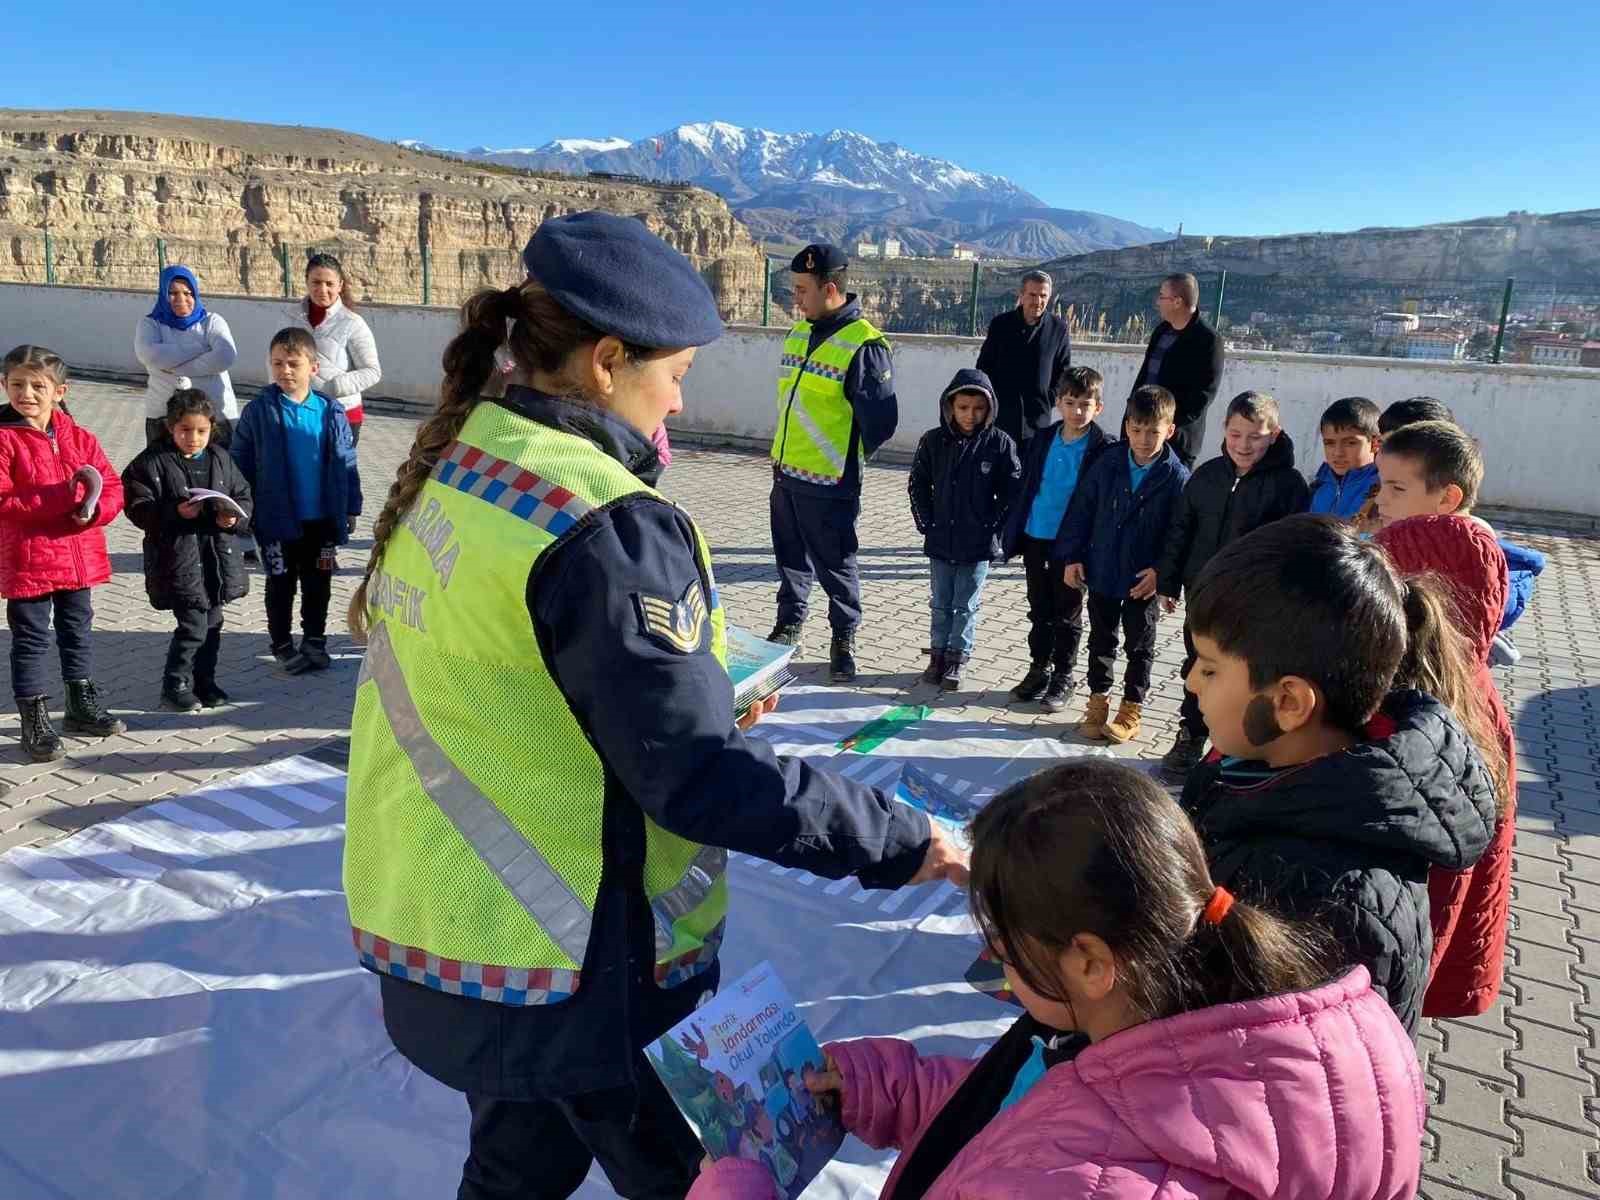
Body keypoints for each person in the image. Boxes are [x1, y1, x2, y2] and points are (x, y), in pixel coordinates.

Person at [339, 212, 965, 1200]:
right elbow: (696, 776)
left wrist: (683, 707)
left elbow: (515, 684)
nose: (678, 402)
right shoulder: (608, 524)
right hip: (587, 971)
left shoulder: (465, 458)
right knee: (709, 1180)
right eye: (673, 375)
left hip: (455, 936)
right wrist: (900, 839)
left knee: (515, 1168)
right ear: (605, 363)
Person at [690, 761, 1425, 1200]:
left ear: (1091, 962)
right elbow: (1020, 1116)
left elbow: (1044, 1151)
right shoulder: (1329, 1039)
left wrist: (734, 1185)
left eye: (1004, 945)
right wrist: (881, 1084)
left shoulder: (1073, 1176)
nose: (994, 961)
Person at [1180, 515, 1496, 1033]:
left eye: (1210, 668)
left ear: (1288, 703)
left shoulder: (1341, 906)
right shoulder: (1239, 768)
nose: (1191, 681)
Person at [1376, 514, 1515, 1018]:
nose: (1381, 501)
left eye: (1395, 488)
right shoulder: (1467, 699)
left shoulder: (1408, 731)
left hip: (1389, 967)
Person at [1155, 390, 1308, 779]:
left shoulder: (1288, 485)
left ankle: (1235, 746)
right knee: (1199, 667)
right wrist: (1168, 581)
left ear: (1275, 435)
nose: (1244, 445)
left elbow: (1292, 548)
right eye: (1236, 434)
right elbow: (1180, 530)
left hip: (1252, 606)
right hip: (1202, 597)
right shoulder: (1206, 476)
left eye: (1256, 436)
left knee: (1246, 676)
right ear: (1224, 429)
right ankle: (1191, 734)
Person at [767, 243, 897, 683]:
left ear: (830, 289)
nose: (795, 298)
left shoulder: (864, 345)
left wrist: (845, 458)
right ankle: (789, 624)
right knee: (790, 560)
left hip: (830, 481)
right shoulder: (797, 334)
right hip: (785, 472)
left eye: (802, 289)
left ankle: (843, 638)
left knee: (836, 565)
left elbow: (881, 423)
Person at [0, 345, 126, 761]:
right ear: (4, 385)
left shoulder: (80, 437)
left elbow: (111, 486)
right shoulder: (4, 439)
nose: (27, 394)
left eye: (38, 386)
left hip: (77, 557)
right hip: (29, 559)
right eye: (17, 384)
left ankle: (80, 703)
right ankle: (34, 720)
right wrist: (62, 499)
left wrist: (94, 512)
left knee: (77, 631)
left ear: (60, 391)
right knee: (31, 639)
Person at [1057, 385, 1190, 745]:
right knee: (1101, 640)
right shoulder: (1108, 463)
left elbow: (1179, 533)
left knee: (1139, 645)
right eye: (1137, 429)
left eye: (1153, 431)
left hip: (1141, 580)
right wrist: (1073, 556)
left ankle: (1131, 709)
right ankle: (1097, 700)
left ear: (1169, 430)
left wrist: (1162, 574)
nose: (1144, 439)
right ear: (1127, 425)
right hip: (1102, 570)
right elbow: (1082, 510)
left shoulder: (1176, 477)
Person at [230, 328, 361, 676]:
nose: (284, 370)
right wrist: (241, 508)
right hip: (276, 518)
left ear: (313, 367)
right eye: (277, 363)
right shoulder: (259, 411)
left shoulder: (330, 411)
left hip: (322, 519)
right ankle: (282, 645)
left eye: (293, 363)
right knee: (281, 583)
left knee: (319, 582)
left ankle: (315, 641)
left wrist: (351, 506)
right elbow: (239, 462)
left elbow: (348, 461)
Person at [1376, 403, 1545, 663]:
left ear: (1447, 498)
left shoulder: (1417, 545)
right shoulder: (1455, 543)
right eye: (1381, 486)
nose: (1380, 499)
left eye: (1397, 489)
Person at [121, 389, 254, 712]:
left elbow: (243, 495)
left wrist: (233, 518)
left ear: (212, 428)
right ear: (170, 427)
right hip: (178, 560)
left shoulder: (220, 458)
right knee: (193, 626)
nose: (193, 438)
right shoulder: (151, 462)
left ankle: (205, 681)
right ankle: (175, 684)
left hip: (216, 558)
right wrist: (174, 512)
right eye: (185, 430)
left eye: (201, 431)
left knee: (214, 624)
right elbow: (137, 508)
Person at [998, 367, 1112, 713]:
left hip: (1072, 547)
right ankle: (1039, 668)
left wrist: (1085, 549)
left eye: (1085, 404)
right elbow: (1027, 485)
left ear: (1098, 408)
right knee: (1039, 608)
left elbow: (1098, 504)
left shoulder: (1102, 449)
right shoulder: (1043, 438)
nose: (1077, 410)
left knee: (1068, 612)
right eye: (1070, 402)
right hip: (1037, 535)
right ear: (1058, 403)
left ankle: (1064, 675)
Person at [907, 368, 1021, 691]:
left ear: (989, 409)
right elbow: (917, 483)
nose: (970, 415)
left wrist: (992, 528)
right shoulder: (932, 441)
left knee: (966, 604)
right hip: (941, 539)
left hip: (977, 544)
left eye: (978, 408)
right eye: (963, 408)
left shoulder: (999, 444)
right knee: (940, 602)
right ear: (950, 407)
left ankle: (958, 656)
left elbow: (1013, 492)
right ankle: (937, 655)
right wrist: (926, 523)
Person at [133, 265, 239, 447]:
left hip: (214, 418)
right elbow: (149, 354)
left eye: (187, 293)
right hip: (163, 419)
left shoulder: (211, 321)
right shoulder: (151, 324)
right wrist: (200, 348)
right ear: (163, 294)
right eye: (173, 293)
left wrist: (174, 368)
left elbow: (225, 356)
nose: (181, 299)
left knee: (217, 465)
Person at [1128, 273, 1224, 467]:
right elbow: (1145, 376)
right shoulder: (1161, 331)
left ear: (1177, 302)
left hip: (1177, 442)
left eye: (1162, 296)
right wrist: (1132, 413)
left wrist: (1164, 426)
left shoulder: (1208, 341)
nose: (1158, 302)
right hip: (1141, 435)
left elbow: (1203, 397)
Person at [290, 251, 382, 448]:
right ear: (306, 282)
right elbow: (274, 360)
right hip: (297, 411)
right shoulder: (289, 317)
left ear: (340, 285)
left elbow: (372, 371)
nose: (322, 289)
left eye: (329, 283)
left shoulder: (353, 323)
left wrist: (334, 387)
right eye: (316, 282)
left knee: (336, 468)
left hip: (342, 414)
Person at [974, 269, 1072, 445]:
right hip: (1001, 418)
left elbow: (1063, 372)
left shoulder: (1059, 329)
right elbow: (984, 367)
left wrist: (1048, 399)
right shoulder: (1000, 325)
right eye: (1032, 295)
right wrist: (992, 401)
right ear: (1021, 295)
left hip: (1038, 421)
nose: (1038, 301)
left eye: (1043, 295)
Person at [1308, 395, 1380, 521]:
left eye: (1350, 443)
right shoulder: (1319, 486)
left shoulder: (1381, 489)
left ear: (1375, 444)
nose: (1338, 453)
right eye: (1329, 443)